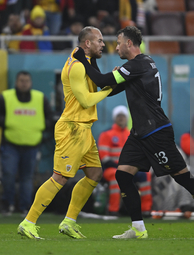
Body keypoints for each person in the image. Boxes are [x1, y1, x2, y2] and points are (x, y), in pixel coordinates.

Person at [73, 26, 194, 239]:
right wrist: (108, 73)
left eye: (118, 43)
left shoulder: (139, 64)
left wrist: (84, 59)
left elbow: (101, 81)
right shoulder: (139, 65)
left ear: (129, 43)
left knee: (183, 178)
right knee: (123, 175)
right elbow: (108, 89)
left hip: (156, 132)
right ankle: (138, 228)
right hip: (140, 133)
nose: (115, 47)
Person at [17, 26, 114, 239]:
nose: (103, 44)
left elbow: (95, 77)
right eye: (99, 40)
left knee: (94, 174)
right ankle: (28, 221)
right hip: (72, 127)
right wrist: (108, 90)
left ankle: (69, 222)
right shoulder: (77, 67)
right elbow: (85, 100)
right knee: (59, 177)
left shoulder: (84, 61)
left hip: (84, 128)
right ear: (87, 43)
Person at [0, 71, 53, 216]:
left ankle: (25, 207)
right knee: (8, 175)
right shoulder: (5, 97)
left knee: (27, 178)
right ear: (16, 82)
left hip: (33, 145)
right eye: (21, 80)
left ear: (30, 82)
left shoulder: (40, 98)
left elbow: (50, 117)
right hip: (10, 144)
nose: (24, 83)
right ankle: (7, 205)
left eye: (27, 81)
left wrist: (41, 126)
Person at [98, 105, 152, 216]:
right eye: (119, 116)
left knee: (145, 175)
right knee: (115, 175)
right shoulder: (106, 134)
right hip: (110, 169)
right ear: (115, 118)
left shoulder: (132, 135)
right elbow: (104, 158)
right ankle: (113, 210)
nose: (121, 118)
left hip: (130, 168)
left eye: (123, 116)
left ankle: (146, 210)